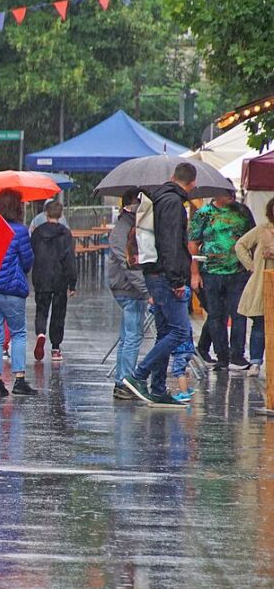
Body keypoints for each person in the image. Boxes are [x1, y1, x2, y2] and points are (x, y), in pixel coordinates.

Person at [122, 163, 197, 407]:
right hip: (166, 275)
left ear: (173, 177)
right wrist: (177, 279)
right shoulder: (174, 203)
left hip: (153, 272)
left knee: (165, 332)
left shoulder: (158, 198)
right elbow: (170, 243)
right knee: (180, 331)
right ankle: (138, 375)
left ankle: (157, 389)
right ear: (192, 183)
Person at [188, 187, 255, 371]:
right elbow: (193, 243)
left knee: (239, 313)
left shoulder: (242, 211)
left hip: (238, 272)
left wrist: (252, 266)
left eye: (232, 193)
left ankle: (238, 355)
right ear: (217, 194)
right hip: (211, 272)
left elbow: (253, 238)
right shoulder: (204, 213)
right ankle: (221, 355)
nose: (232, 197)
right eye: (227, 194)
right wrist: (195, 273)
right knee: (216, 316)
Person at [0, 189, 36, 397]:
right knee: (18, 333)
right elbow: (27, 260)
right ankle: (19, 380)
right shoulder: (20, 231)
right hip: (13, 288)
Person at [107, 189, 150, 400]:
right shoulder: (125, 228)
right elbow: (127, 263)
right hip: (129, 288)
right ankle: (125, 381)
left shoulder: (127, 226)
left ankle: (122, 381)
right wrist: (145, 289)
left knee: (127, 336)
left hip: (127, 287)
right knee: (133, 336)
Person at [31, 200, 77, 362]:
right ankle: (56, 348)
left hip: (41, 277)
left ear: (45, 214)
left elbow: (32, 253)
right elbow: (70, 259)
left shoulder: (37, 233)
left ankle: (41, 333)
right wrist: (72, 283)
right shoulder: (65, 234)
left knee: (41, 310)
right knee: (58, 313)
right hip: (60, 278)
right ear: (61, 214)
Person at [234, 197, 274, 377]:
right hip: (262, 282)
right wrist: (251, 265)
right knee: (259, 323)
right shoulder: (262, 230)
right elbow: (240, 245)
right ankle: (256, 361)